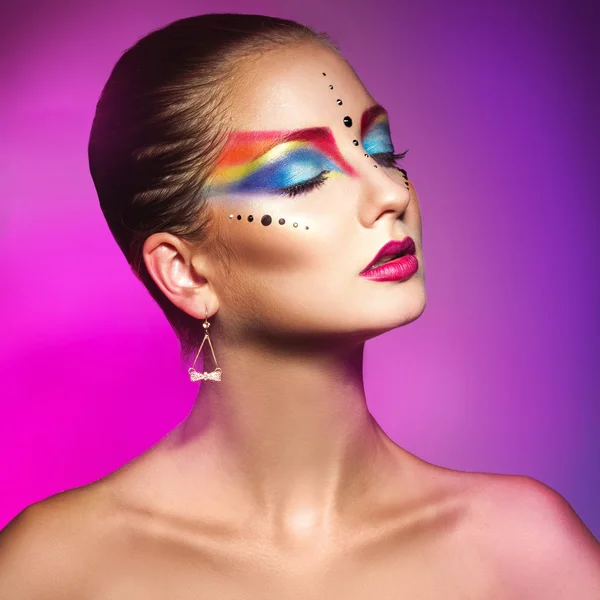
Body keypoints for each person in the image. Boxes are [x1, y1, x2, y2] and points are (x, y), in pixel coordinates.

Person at [0, 13, 598, 598]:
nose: (390, 193)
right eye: (303, 176)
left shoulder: (523, 549)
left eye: (383, 152)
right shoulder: (54, 568)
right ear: (182, 271)